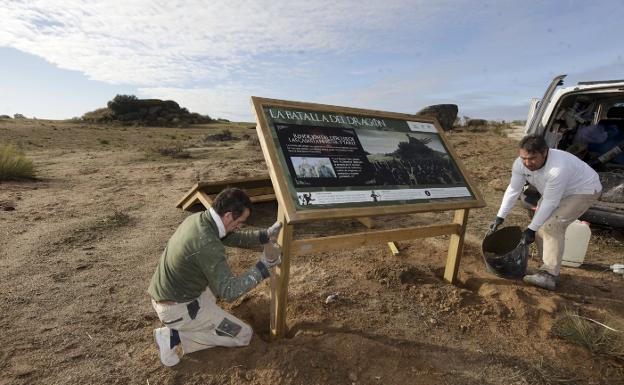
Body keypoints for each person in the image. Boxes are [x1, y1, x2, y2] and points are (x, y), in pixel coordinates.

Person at [148, 187, 283, 366]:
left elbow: (231, 237)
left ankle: (187, 325)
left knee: (213, 288)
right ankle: (173, 336)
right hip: (178, 309)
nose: (240, 225)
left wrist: (264, 235)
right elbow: (230, 291)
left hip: (173, 294)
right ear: (228, 216)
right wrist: (263, 267)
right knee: (244, 335)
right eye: (240, 221)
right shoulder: (207, 243)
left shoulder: (199, 220)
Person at [490, 135, 602, 290]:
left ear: (545, 152)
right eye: (523, 158)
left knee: (551, 226)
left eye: (533, 158)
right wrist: (500, 216)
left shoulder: (558, 168)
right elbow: (513, 190)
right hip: (556, 192)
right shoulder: (520, 164)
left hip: (584, 190)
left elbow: (550, 202)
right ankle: (546, 268)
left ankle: (550, 274)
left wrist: (531, 228)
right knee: (538, 229)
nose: (528, 163)